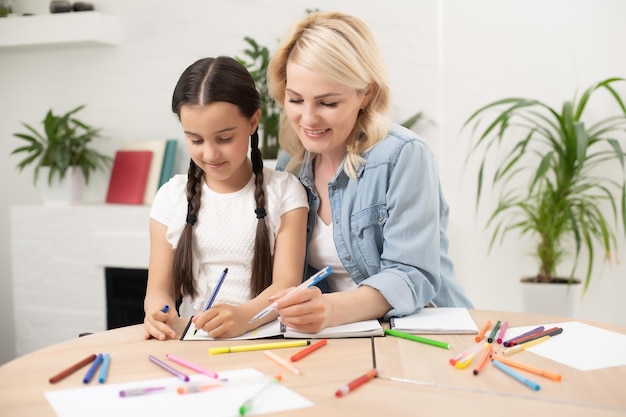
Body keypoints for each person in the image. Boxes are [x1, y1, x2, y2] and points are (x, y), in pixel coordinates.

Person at [266, 11, 473, 334]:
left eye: (328, 103)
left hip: (425, 331)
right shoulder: (291, 162)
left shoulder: (403, 156)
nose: (308, 119)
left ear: (366, 94)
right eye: (295, 99)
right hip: (341, 336)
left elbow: (411, 274)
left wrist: (329, 308)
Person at [143, 56, 308, 340]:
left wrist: (244, 316)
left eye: (224, 139)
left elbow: (286, 283)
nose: (209, 154)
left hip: (265, 339)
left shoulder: (285, 191)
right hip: (195, 340)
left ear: (253, 121)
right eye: (195, 140)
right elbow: (159, 290)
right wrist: (159, 310)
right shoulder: (171, 197)